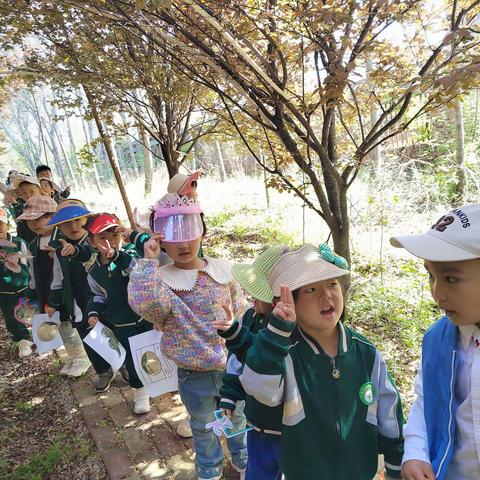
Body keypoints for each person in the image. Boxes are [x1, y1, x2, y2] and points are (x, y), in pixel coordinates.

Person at [240, 244, 404, 480]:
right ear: (289, 302)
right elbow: (259, 389)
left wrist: (396, 462)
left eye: (332, 284)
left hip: (360, 472)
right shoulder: (284, 354)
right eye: (311, 289)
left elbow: (389, 409)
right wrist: (276, 335)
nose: (326, 295)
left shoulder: (365, 352)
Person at [128, 193, 248, 480]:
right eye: (172, 233)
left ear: (202, 230)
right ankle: (209, 468)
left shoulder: (221, 269)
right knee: (205, 425)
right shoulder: (162, 279)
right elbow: (148, 306)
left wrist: (243, 343)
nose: (183, 243)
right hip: (194, 375)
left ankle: (244, 461)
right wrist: (149, 261)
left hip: (231, 368)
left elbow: (240, 310)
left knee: (236, 419)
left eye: (189, 230)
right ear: (160, 238)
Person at [390, 204, 480, 480]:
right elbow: (427, 400)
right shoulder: (438, 339)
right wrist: (415, 452)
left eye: (451, 278)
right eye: (431, 275)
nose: (437, 293)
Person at [214, 245, 288, 480]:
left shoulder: (293, 334)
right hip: (258, 424)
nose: (251, 297)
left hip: (289, 430)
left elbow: (262, 360)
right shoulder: (251, 318)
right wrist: (229, 394)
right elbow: (237, 362)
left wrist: (238, 336)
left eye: (258, 292)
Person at [86, 213, 153, 413]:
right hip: (121, 323)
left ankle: (165, 382)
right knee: (132, 359)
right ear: (91, 241)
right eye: (102, 238)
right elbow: (97, 295)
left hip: (146, 317)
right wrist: (93, 313)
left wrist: (119, 257)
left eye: (114, 236)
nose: (110, 243)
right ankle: (140, 393)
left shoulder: (131, 255)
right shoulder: (94, 272)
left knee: (155, 351)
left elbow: (141, 272)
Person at [18, 195, 91, 377]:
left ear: (54, 218)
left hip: (65, 290)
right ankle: (73, 356)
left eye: (39, 218)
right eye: (30, 220)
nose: (34, 224)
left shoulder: (63, 240)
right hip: (46, 290)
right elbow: (33, 270)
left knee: (70, 323)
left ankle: (82, 357)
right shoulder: (34, 244)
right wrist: (32, 292)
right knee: (59, 324)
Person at [44, 199, 114, 386]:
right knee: (88, 335)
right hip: (77, 300)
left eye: (77, 220)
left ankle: (121, 363)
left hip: (101, 297)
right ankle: (103, 370)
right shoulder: (59, 249)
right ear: (59, 226)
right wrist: (53, 302)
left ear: (85, 219)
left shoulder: (96, 241)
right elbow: (57, 279)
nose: (73, 226)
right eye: (67, 222)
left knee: (110, 330)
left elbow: (91, 255)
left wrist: (76, 250)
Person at [0, 206, 33, 358]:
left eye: (0, 223)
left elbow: (29, 264)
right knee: (11, 316)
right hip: (4, 291)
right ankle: (22, 340)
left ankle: (41, 334)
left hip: (24, 286)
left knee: (31, 310)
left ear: (6, 224)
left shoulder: (19, 243)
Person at [8, 173, 44, 243]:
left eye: (32, 191)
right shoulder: (22, 214)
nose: (28, 195)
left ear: (40, 190)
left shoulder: (50, 208)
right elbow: (21, 234)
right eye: (24, 192)